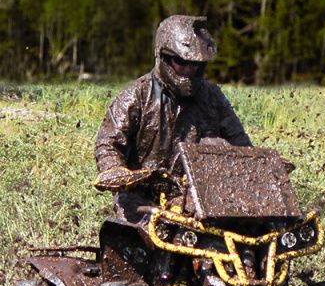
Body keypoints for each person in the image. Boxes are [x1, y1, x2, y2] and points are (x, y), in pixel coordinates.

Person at [94, 15, 251, 222]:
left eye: (194, 64)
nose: (188, 70)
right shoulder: (138, 94)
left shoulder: (213, 96)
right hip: (141, 196)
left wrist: (262, 164)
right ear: (164, 57)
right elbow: (108, 141)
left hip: (197, 197)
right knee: (132, 237)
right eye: (181, 63)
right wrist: (114, 169)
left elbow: (240, 144)